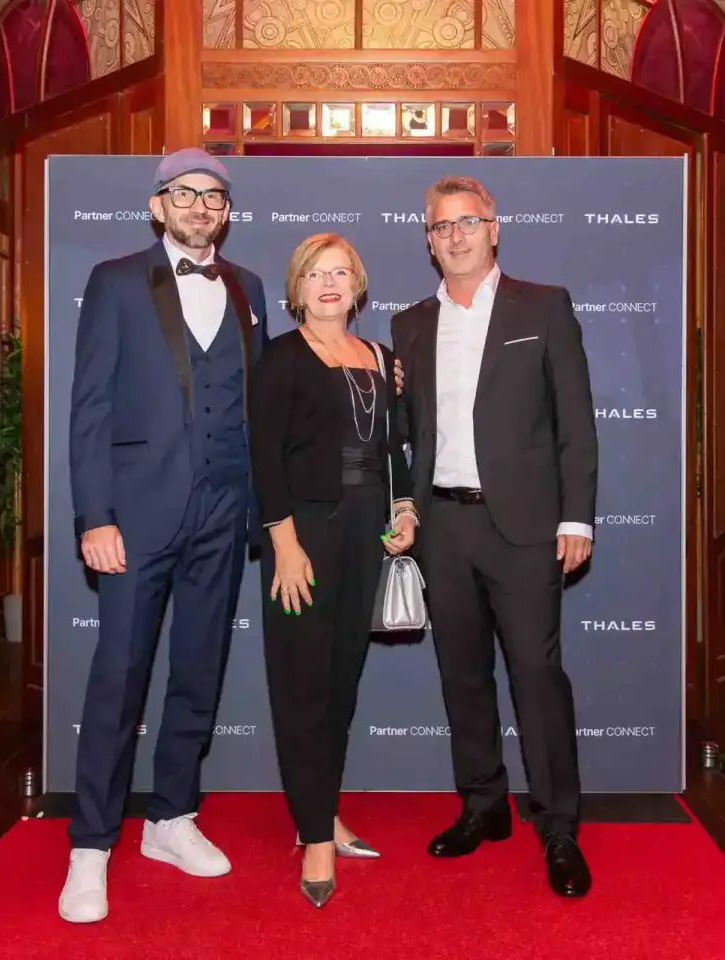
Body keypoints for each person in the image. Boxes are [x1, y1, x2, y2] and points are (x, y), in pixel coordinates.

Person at [59, 149, 267, 924]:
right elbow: (89, 410)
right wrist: (95, 516)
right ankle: (91, 844)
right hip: (135, 516)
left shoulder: (246, 290)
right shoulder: (115, 280)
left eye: (215, 197)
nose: (202, 206)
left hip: (223, 511)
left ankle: (172, 817)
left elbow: (251, 403)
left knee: (199, 670)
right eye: (187, 194)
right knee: (119, 677)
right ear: (158, 206)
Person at [390, 175, 598, 899]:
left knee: (537, 679)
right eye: (441, 227)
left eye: (467, 223)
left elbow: (575, 420)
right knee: (462, 675)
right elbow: (405, 435)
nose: (455, 236)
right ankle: (483, 807)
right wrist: (403, 509)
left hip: (524, 527)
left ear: (494, 229)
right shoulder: (409, 324)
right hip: (442, 525)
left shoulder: (544, 306)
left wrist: (577, 516)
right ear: (427, 240)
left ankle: (560, 826)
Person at [249, 234, 416, 908]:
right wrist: (284, 544)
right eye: (315, 274)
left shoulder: (381, 357)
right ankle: (315, 835)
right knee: (303, 687)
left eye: (339, 272)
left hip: (365, 533)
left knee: (341, 683)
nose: (328, 283)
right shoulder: (280, 359)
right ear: (297, 287)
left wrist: (403, 509)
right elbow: (264, 457)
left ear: (358, 285)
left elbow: (396, 446)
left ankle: (323, 811)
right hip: (304, 537)